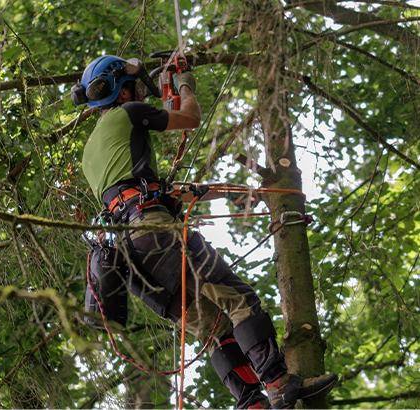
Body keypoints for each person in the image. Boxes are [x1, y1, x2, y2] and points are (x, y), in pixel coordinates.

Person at [74, 55, 338, 410]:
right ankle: (278, 382)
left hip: (128, 257)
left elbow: (147, 195)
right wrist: (184, 84)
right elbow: (190, 118)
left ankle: (252, 402)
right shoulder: (129, 113)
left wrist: (243, 194)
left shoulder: (92, 152)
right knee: (237, 298)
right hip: (153, 233)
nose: (137, 92)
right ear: (121, 90)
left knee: (214, 328)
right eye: (133, 86)